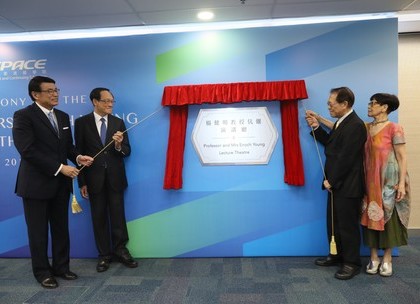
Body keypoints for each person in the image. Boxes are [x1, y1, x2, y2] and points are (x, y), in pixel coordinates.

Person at [12, 76, 93, 289]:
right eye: (49, 91)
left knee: (60, 228)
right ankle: (42, 272)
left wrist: (77, 158)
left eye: (56, 89)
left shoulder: (63, 116)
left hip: (60, 185)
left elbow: (67, 147)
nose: (55, 94)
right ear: (35, 94)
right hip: (36, 185)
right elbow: (27, 150)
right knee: (38, 232)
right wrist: (59, 168)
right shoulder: (23, 116)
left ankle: (61, 267)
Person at [305, 87, 367, 280]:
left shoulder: (355, 125)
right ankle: (336, 255)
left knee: (347, 226)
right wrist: (316, 127)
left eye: (331, 104)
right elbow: (332, 146)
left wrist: (332, 180)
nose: (328, 107)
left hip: (347, 185)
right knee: (334, 223)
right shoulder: (343, 122)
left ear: (344, 104)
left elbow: (347, 158)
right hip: (336, 185)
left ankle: (351, 263)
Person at [74, 87, 138, 273]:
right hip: (93, 180)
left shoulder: (118, 122)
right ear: (95, 101)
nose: (110, 104)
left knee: (118, 216)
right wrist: (82, 182)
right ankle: (104, 255)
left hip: (115, 178)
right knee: (99, 217)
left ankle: (121, 250)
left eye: (112, 101)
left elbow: (127, 151)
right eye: (106, 101)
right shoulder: (82, 123)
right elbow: (78, 153)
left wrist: (118, 144)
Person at [361, 93, 410, 277]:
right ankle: (373, 257)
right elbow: (340, 127)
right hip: (369, 181)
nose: (369, 106)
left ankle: (387, 258)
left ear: (384, 107)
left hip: (389, 180)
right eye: (370, 102)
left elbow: (402, 156)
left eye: (373, 103)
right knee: (370, 216)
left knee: (390, 219)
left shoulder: (395, 128)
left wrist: (401, 184)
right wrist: (318, 119)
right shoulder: (366, 128)